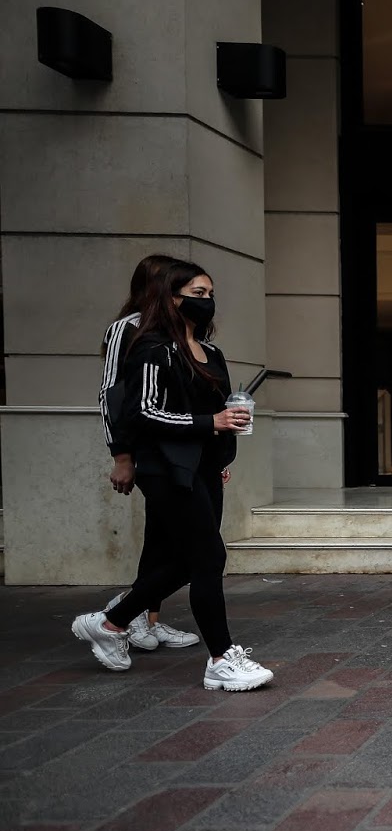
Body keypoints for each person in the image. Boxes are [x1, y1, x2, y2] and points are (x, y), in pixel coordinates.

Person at [71, 260, 273, 691]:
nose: (207, 301)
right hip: (164, 467)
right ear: (171, 298)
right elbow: (142, 412)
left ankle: (110, 623)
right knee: (209, 558)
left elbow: (218, 411)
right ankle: (221, 659)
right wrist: (208, 424)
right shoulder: (153, 349)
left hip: (203, 467)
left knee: (188, 560)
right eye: (197, 294)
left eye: (210, 293)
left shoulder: (211, 353)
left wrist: (220, 452)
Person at [98, 254, 201, 651]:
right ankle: (125, 615)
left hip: (181, 451)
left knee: (163, 537)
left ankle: (144, 616)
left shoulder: (180, 331)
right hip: (151, 452)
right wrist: (122, 457)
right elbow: (112, 393)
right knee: (174, 541)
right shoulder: (127, 328)